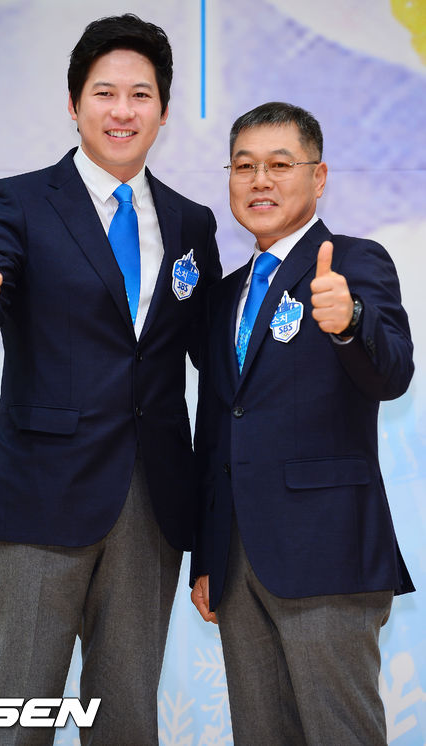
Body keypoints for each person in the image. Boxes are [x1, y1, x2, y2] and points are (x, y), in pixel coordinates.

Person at [0, 14, 221, 746]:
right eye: (104, 92)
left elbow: (216, 364)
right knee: (16, 718)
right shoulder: (19, 202)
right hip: (41, 496)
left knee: (127, 721)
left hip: (153, 504)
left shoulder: (192, 224)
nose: (122, 110)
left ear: (163, 109)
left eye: (140, 94)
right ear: (73, 104)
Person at [191, 101, 414, 746]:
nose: (260, 180)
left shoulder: (354, 262)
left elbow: (392, 373)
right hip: (237, 562)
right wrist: (207, 554)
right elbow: (218, 426)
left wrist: (351, 322)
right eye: (244, 166)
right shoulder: (223, 295)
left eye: (280, 165)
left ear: (318, 178)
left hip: (327, 553)